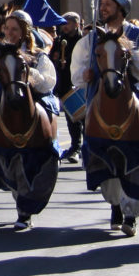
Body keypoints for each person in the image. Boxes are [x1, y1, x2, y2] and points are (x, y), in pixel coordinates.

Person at [70, 0, 139, 237]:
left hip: (134, 96)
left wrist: (131, 54)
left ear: (121, 7)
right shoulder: (90, 39)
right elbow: (76, 72)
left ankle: (131, 211)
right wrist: (84, 75)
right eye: (102, 4)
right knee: (99, 152)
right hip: (100, 97)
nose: (103, 8)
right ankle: (115, 204)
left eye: (108, 4)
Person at [0, 10, 60, 229]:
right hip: (5, 103)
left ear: (24, 32)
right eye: (7, 29)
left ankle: (49, 144)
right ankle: (18, 198)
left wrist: (29, 73)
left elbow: (48, 83)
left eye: (15, 29)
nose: (10, 33)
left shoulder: (38, 55)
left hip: (32, 100)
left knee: (47, 114)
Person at [54, 11, 85, 163]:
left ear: (76, 24)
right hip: (65, 85)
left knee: (85, 118)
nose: (65, 27)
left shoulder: (83, 41)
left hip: (80, 85)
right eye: (63, 24)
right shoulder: (60, 40)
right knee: (72, 119)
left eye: (68, 23)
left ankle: (88, 147)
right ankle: (75, 147)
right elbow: (52, 57)